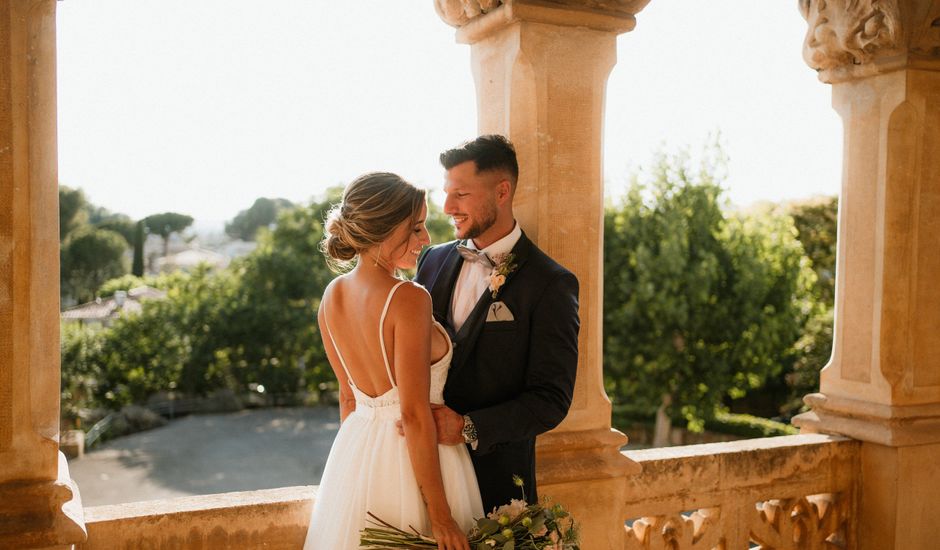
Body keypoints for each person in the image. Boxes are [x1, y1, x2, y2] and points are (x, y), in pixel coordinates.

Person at [304, 172, 481, 550]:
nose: (427, 239)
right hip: (418, 459)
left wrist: (356, 475)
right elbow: (414, 414)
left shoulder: (330, 297)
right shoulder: (409, 298)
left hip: (359, 453)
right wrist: (442, 518)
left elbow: (348, 400)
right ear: (384, 229)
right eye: (416, 228)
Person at [414, 135, 580, 512]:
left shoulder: (550, 284)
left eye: (461, 194)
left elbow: (551, 399)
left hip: (497, 488)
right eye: (446, 192)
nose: (447, 207)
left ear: (501, 191)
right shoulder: (431, 261)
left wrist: (468, 427)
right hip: (420, 475)